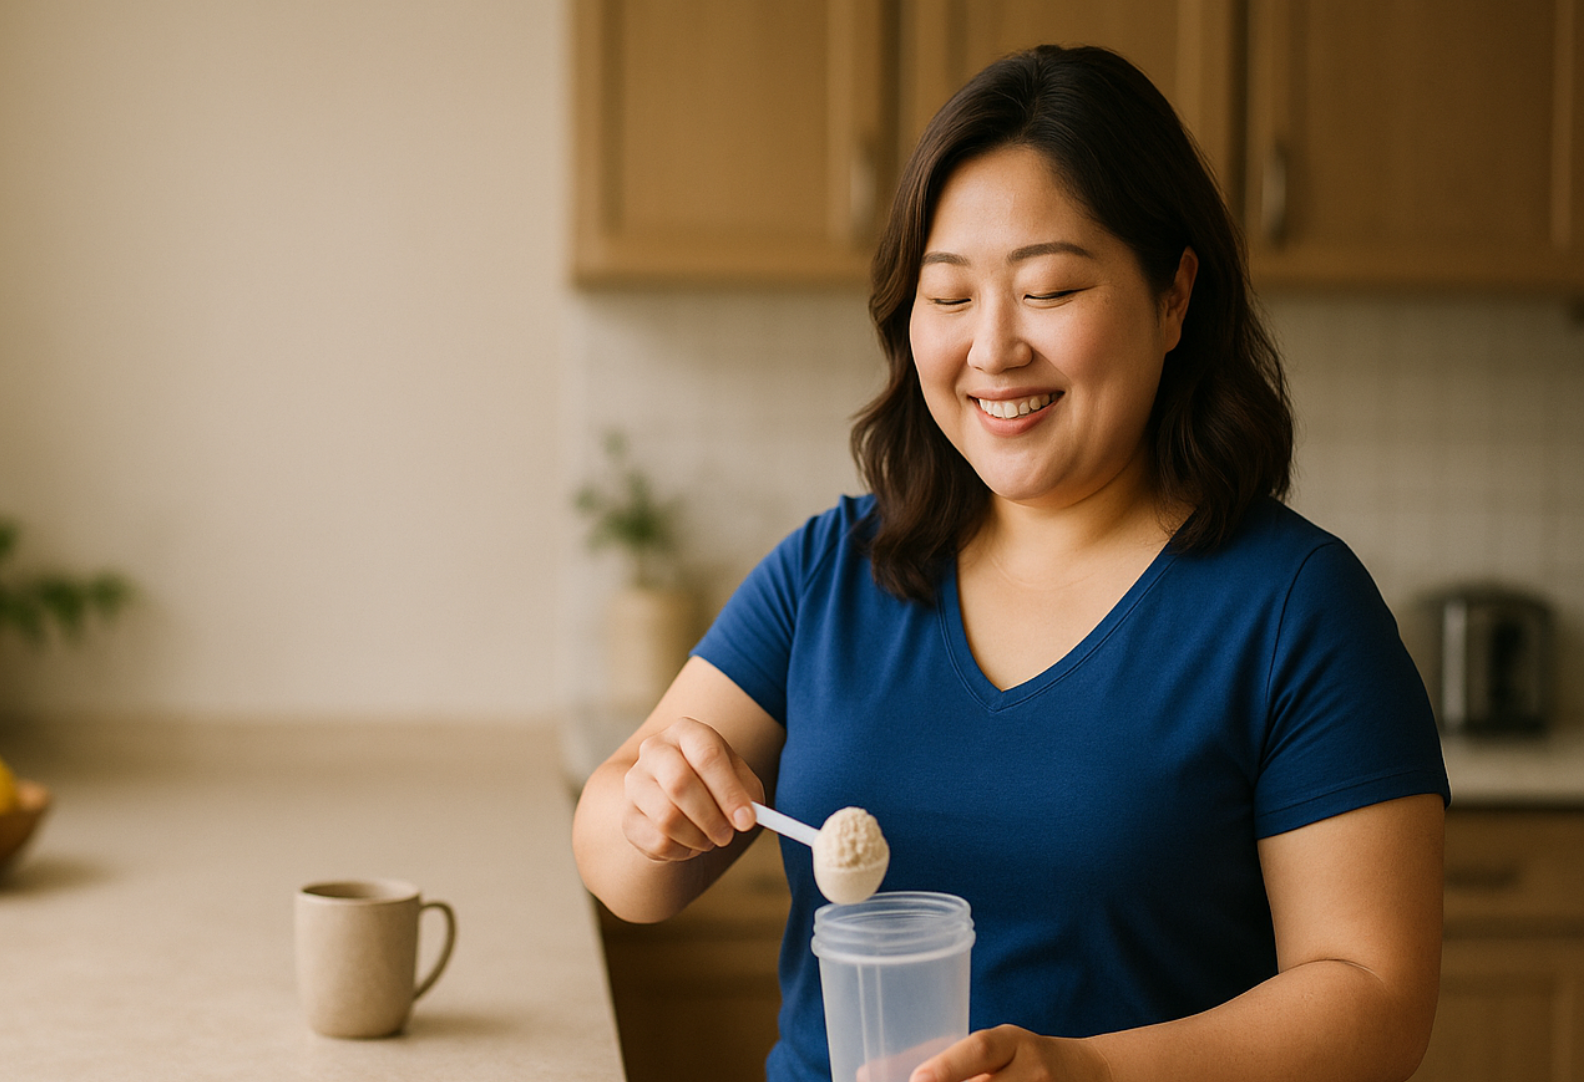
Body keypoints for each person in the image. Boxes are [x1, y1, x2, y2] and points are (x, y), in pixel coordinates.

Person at [571, 43, 1449, 1082]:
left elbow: (1374, 998)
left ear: (1174, 296)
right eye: (949, 297)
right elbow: (626, 868)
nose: (992, 349)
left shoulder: (1296, 609)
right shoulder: (833, 570)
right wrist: (651, 808)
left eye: (1049, 289)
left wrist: (1085, 1072)